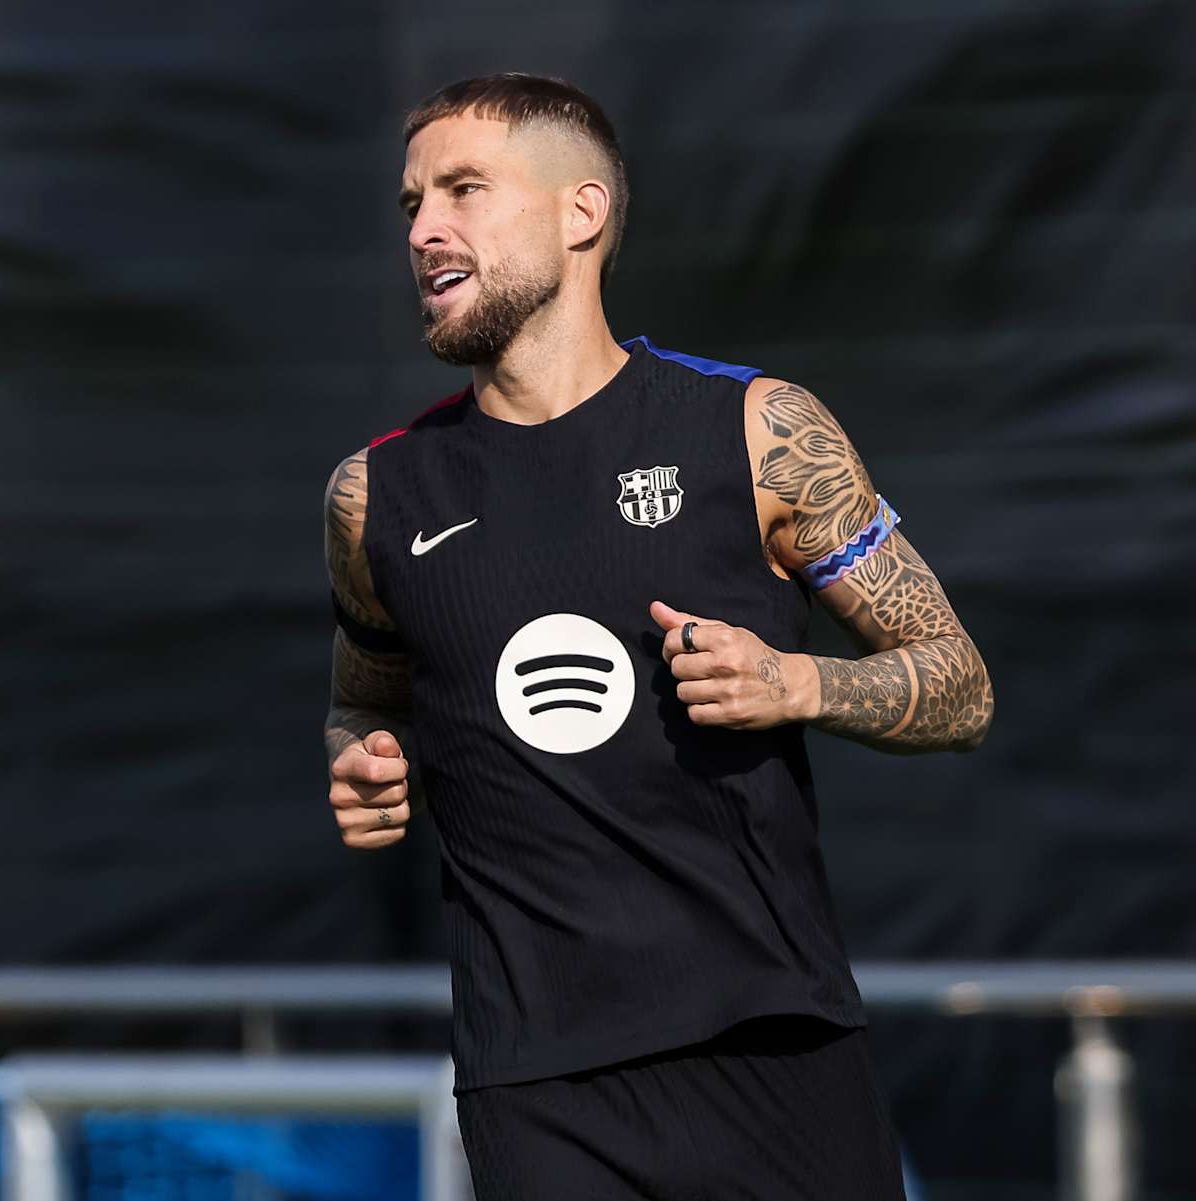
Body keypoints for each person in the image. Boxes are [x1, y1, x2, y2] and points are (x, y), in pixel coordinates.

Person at [321, 73, 993, 1201]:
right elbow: (366, 702)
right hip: (534, 1083)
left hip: (773, 1046)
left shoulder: (757, 429)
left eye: (465, 189)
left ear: (580, 214)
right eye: (411, 205)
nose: (426, 228)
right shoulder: (375, 496)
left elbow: (960, 685)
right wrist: (367, 765)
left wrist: (798, 682)